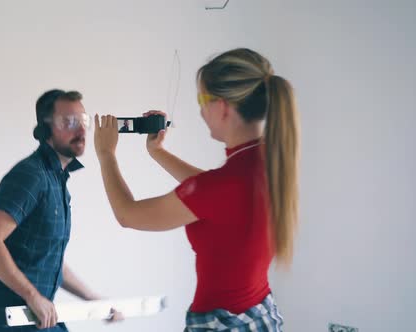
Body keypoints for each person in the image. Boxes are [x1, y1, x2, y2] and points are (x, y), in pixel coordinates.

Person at [93, 48, 299, 331]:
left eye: (202, 99)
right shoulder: (263, 161)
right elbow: (211, 194)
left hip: (222, 325)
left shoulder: (223, 186)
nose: (200, 110)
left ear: (223, 106)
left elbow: (128, 215)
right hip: (259, 315)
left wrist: (106, 154)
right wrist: (157, 152)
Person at [0, 89, 122, 332]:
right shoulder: (31, 175)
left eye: (83, 121)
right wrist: (32, 295)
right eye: (69, 122)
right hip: (4, 322)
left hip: (37, 317)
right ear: (45, 129)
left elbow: (48, 259)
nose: (81, 130)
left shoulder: (56, 180)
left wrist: (91, 298)